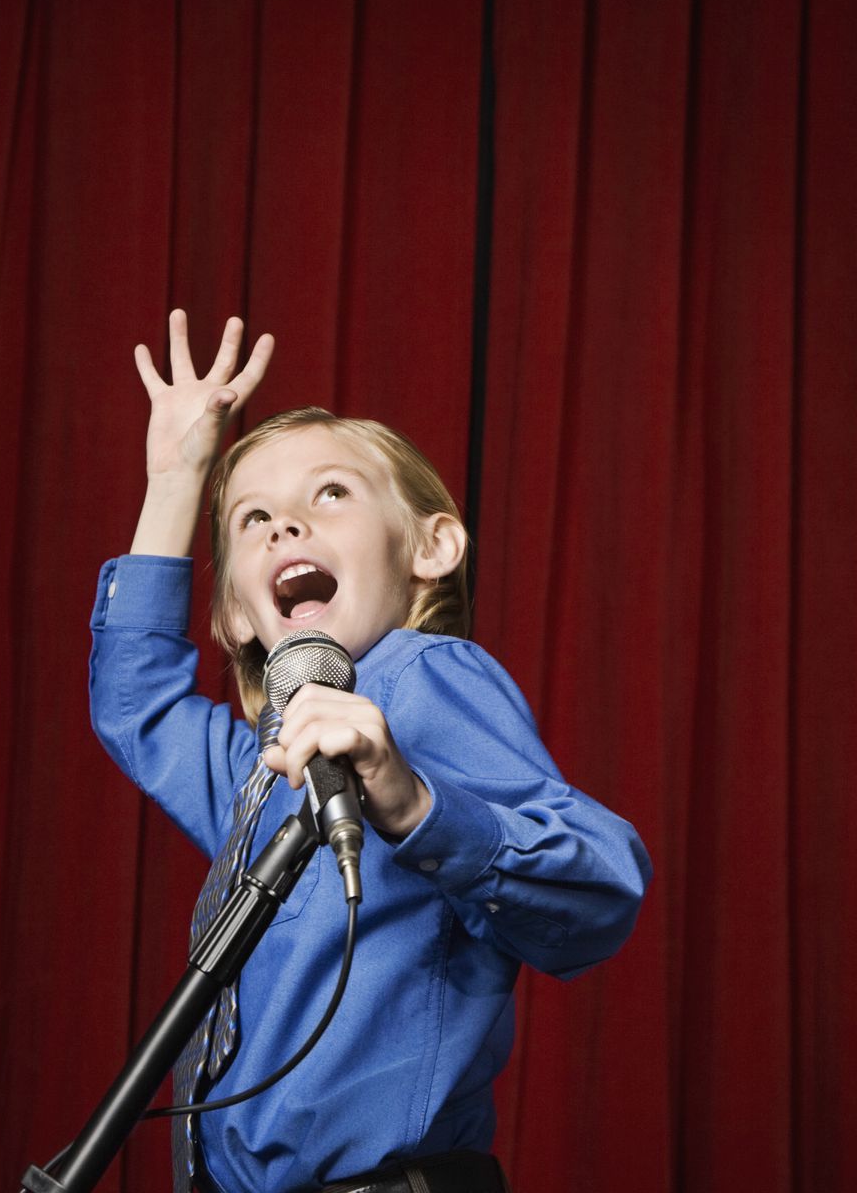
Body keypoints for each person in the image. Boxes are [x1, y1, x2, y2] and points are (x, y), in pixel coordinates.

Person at [88, 311, 651, 1193]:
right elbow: (136, 707)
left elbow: (599, 885)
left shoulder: (421, 676)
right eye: (252, 518)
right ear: (236, 616)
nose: (285, 528)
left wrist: (411, 801)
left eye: (331, 495)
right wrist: (175, 481)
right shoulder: (257, 776)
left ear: (431, 548)